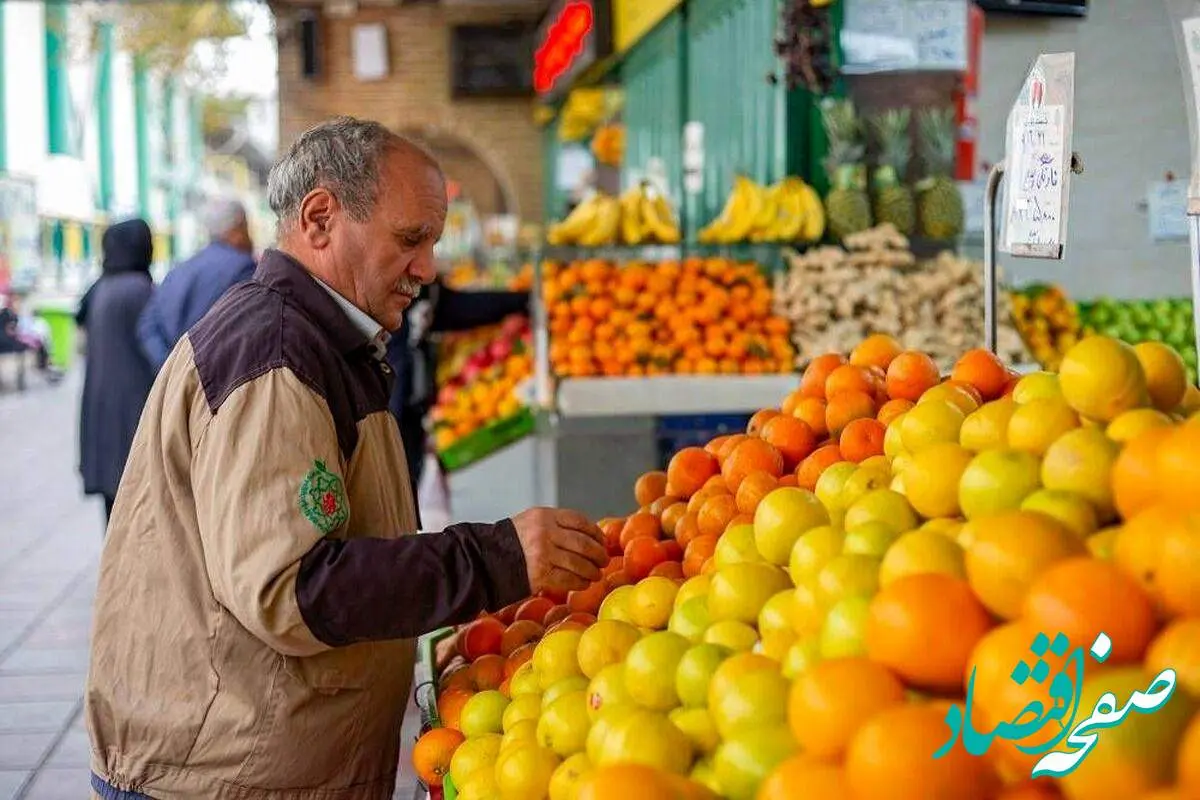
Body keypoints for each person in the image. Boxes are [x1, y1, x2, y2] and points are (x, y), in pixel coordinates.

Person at [86, 117, 607, 800]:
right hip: (219, 775)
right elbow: (292, 586)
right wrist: (494, 557)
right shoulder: (275, 353)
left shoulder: (325, 339)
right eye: (410, 240)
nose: (427, 269)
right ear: (322, 218)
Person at [387, 276, 529, 502]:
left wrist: (520, 300)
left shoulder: (420, 286)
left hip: (408, 410)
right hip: (391, 414)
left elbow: (447, 307)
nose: (428, 268)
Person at [76, 218, 156, 524]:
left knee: (112, 511)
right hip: (132, 411)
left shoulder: (100, 288)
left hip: (101, 410)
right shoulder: (140, 291)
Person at [137, 197, 256, 371]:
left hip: (179, 383)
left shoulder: (179, 270)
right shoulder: (244, 268)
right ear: (237, 230)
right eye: (247, 228)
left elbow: (147, 326)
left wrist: (171, 369)